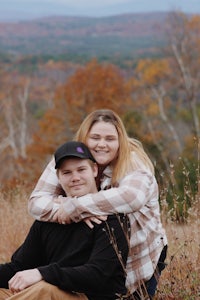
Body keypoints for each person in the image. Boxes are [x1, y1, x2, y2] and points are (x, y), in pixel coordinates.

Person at [28, 109, 168, 299]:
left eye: (109, 139)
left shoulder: (133, 163)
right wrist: (70, 205)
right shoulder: (69, 160)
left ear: (120, 141)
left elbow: (131, 197)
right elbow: (36, 202)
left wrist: (76, 207)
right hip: (101, 257)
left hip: (141, 254)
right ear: (85, 138)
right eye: (95, 137)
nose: (102, 144)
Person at [0, 141, 129, 300]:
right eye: (67, 172)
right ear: (58, 178)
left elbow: (99, 274)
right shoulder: (48, 219)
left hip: (89, 296)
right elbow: (18, 267)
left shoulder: (111, 218)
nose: (75, 178)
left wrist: (42, 273)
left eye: (81, 170)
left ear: (94, 170)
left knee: (44, 290)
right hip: (49, 290)